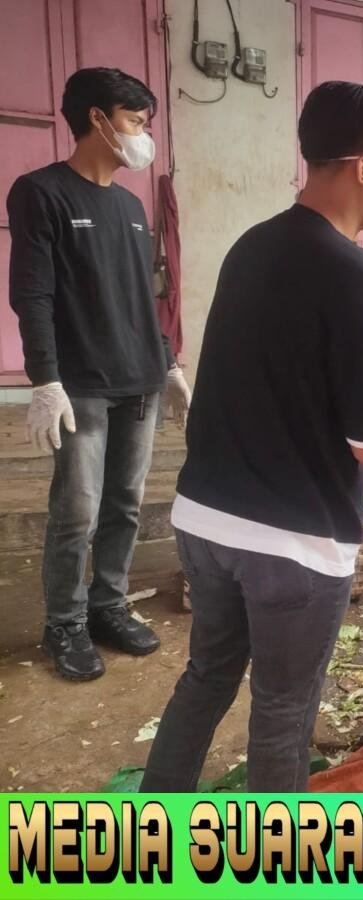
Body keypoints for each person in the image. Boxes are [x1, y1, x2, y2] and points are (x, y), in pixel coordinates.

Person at [140, 81, 363, 793]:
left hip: (204, 519)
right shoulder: (354, 274)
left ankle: (152, 827)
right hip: (292, 546)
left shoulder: (252, 246)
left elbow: (295, 396)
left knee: (207, 676)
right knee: (283, 709)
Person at [6, 67, 191, 682]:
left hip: (139, 382)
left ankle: (107, 605)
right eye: (135, 121)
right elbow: (32, 293)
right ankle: (64, 622)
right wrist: (45, 379)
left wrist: (167, 361)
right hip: (81, 384)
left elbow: (142, 297)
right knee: (76, 511)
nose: (142, 135)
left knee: (126, 504)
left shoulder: (132, 207)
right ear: (97, 119)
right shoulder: (41, 193)